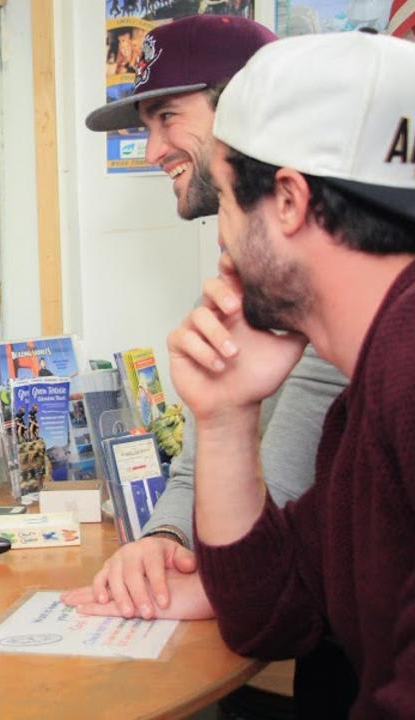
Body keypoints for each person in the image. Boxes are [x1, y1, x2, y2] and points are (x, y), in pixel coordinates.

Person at [70, 16, 354, 715]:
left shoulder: (330, 268)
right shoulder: (242, 263)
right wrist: (163, 539)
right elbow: (206, 451)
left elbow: (284, 514)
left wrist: (200, 579)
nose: (151, 148)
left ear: (250, 109)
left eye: (168, 116)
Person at [168, 32, 415, 716]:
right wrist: (225, 419)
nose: (220, 233)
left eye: (221, 197)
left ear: (287, 200)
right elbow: (272, 614)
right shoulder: (367, 392)